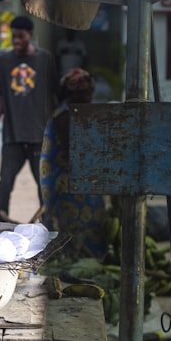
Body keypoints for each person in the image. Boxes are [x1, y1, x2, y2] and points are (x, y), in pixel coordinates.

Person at [0, 15, 58, 223]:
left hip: (39, 137)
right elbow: (2, 100)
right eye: (13, 37)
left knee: (43, 185)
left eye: (20, 36)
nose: (16, 41)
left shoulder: (46, 60)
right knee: (4, 184)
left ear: (30, 35)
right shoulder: (4, 62)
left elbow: (55, 97)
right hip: (12, 137)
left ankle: (48, 225)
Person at [39, 68, 109, 260]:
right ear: (73, 93)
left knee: (91, 217)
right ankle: (70, 259)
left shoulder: (78, 111)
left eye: (89, 93)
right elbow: (74, 147)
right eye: (83, 93)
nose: (88, 97)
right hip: (64, 178)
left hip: (76, 175)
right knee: (71, 219)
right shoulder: (64, 115)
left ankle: (88, 257)